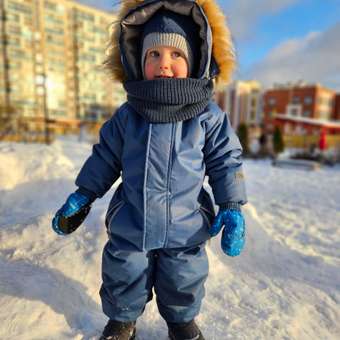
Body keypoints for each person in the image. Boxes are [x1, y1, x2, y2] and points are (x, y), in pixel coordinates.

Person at [52, 1, 247, 339]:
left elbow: (225, 161)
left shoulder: (208, 117)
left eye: (176, 55)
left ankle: (181, 321)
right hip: (133, 218)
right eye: (153, 54)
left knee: (183, 274)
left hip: (185, 222)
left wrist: (231, 205)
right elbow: (105, 158)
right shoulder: (128, 116)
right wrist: (83, 194)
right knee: (124, 268)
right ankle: (122, 319)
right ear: (138, 61)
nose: (164, 65)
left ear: (197, 60)